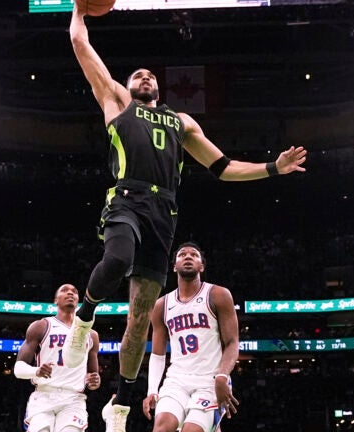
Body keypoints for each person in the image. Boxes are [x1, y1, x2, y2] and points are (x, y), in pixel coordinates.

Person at [64, 4, 307, 430]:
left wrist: (274, 168)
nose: (144, 77)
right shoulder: (116, 100)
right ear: (126, 84)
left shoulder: (182, 122)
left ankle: (120, 400)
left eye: (150, 75)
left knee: (139, 315)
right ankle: (85, 315)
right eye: (137, 74)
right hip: (127, 196)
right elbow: (80, 44)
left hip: (164, 211)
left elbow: (223, 167)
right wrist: (78, 10)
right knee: (117, 260)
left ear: (158, 88)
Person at [141, 242, 239, 432]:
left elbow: (232, 343)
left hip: (209, 381)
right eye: (182, 254)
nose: (187, 256)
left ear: (201, 266)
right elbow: (158, 354)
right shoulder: (162, 304)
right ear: (174, 266)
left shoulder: (218, 294)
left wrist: (222, 376)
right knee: (162, 428)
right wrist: (152, 389)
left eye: (194, 254)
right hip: (176, 380)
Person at [14, 284, 101, 432]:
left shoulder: (91, 335)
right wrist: (36, 371)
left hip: (73, 399)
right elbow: (18, 369)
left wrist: (95, 381)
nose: (70, 293)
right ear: (56, 300)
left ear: (78, 300)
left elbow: (93, 376)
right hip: (44, 395)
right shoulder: (41, 326)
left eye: (74, 292)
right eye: (64, 290)